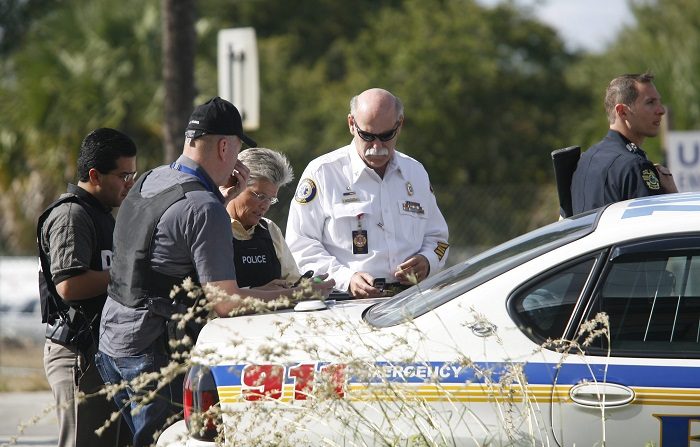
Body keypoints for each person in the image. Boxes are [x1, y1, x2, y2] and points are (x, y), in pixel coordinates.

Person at [96, 97, 334, 447]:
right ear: (224, 146)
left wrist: (222, 200)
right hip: (151, 355)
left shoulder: (152, 178)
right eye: (237, 151)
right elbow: (226, 302)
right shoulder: (205, 208)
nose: (239, 162)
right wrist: (298, 295)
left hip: (112, 342)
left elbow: (164, 244)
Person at [286, 88, 450, 299]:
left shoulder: (415, 172)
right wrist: (347, 278)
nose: (376, 146)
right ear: (351, 124)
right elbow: (299, 244)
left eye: (386, 136)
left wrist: (427, 261)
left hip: (412, 300)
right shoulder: (324, 172)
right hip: (346, 302)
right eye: (367, 135)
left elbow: (439, 239)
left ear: (399, 125)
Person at [37, 128, 137, 447]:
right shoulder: (72, 215)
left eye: (133, 174)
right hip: (77, 354)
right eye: (123, 175)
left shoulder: (103, 215)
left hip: (102, 352)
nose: (129, 183)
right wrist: (130, 275)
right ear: (94, 175)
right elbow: (68, 285)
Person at [570, 73, 677, 215]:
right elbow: (659, 228)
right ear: (622, 112)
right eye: (650, 102)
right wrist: (672, 195)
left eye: (659, 101)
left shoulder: (584, 160)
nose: (661, 110)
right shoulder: (635, 166)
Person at [226, 147, 303, 287]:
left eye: (271, 199)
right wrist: (262, 293)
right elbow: (215, 299)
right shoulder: (213, 228)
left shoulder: (270, 230)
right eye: (260, 196)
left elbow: (292, 283)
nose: (265, 205)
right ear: (235, 184)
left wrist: (309, 289)